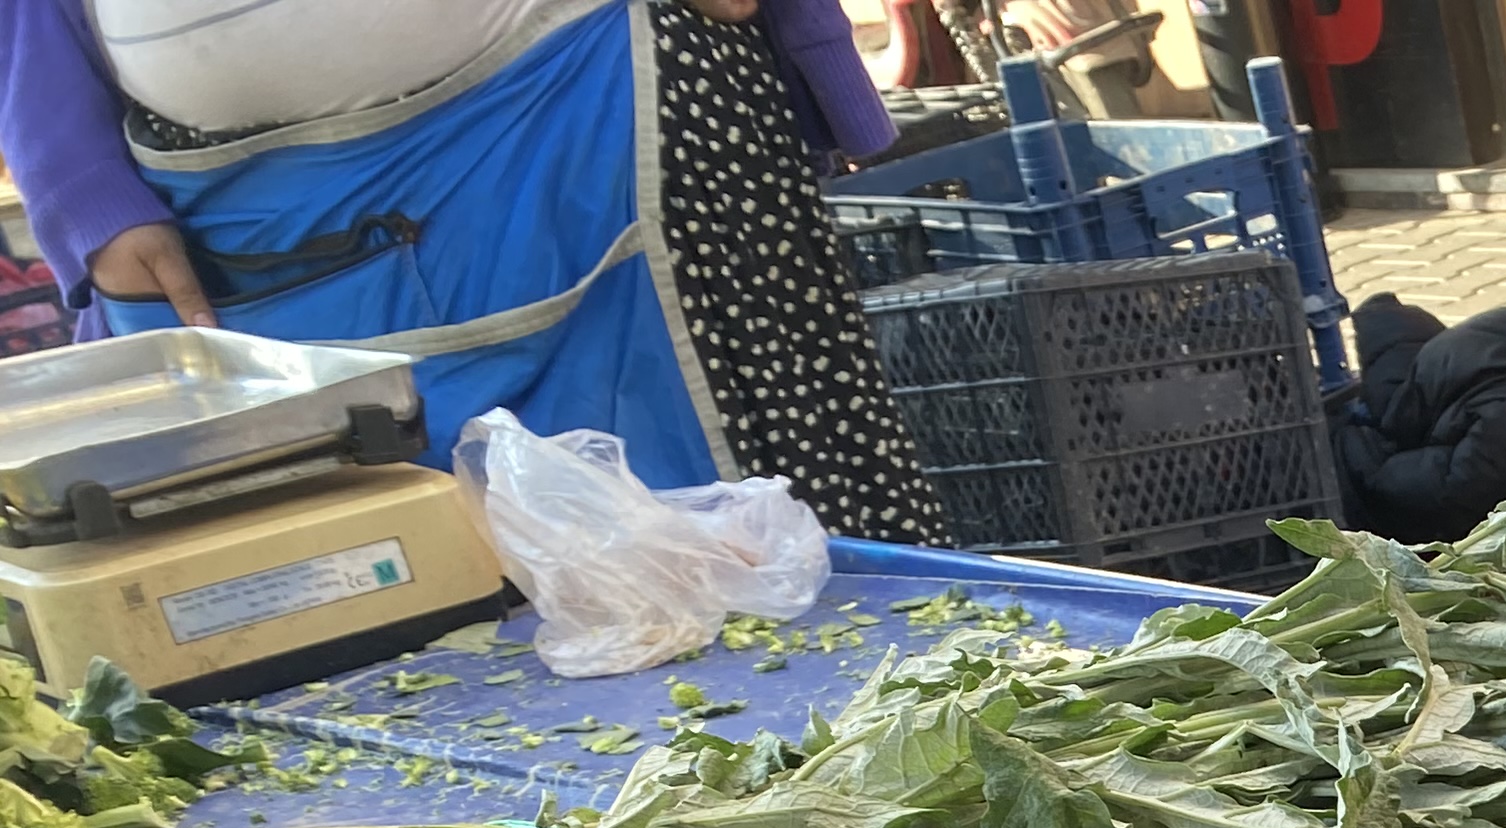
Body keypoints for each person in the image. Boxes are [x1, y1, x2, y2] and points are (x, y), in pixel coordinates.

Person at [0, 0, 948, 542]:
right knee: (368, 612)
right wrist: (79, 182)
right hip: (253, 227)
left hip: (602, 115)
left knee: (793, 586)